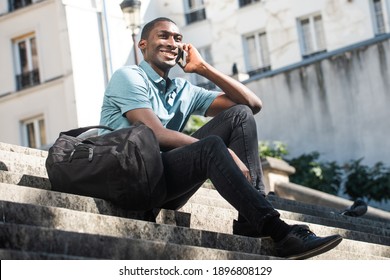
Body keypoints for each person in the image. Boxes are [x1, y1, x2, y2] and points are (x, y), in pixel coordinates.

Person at [99, 17, 342, 259]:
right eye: (163, 36)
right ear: (142, 45)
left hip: (163, 182)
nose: (172, 43)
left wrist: (203, 68)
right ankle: (279, 232)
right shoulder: (129, 77)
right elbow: (155, 134)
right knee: (212, 146)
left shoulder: (182, 90)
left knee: (239, 115)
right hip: (129, 178)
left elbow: (252, 104)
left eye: (178, 38)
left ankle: (250, 221)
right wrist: (224, 152)